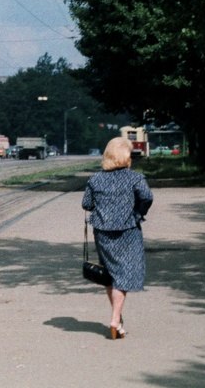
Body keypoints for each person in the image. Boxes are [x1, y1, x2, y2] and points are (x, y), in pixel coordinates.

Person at [82, 136, 153, 340]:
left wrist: (104, 207)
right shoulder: (135, 178)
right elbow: (147, 197)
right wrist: (137, 213)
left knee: (110, 275)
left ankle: (118, 320)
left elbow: (86, 204)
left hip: (103, 233)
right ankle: (115, 319)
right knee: (123, 276)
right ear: (125, 156)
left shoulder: (95, 179)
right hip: (128, 232)